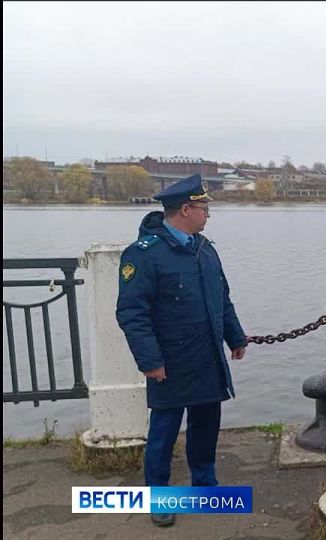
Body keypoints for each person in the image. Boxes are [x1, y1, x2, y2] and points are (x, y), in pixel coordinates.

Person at [115, 174, 246, 527]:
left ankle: (204, 486)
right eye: (204, 208)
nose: (208, 215)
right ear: (186, 209)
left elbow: (222, 299)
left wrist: (236, 338)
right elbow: (131, 313)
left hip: (206, 358)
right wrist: (150, 361)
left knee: (206, 426)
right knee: (164, 431)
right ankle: (158, 496)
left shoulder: (205, 249)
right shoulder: (144, 255)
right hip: (168, 363)